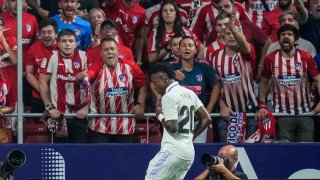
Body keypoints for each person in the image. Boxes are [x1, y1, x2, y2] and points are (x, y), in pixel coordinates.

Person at [145, 63, 212, 179]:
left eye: (155, 82)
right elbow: (207, 119)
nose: (154, 87)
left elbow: (172, 127)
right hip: (189, 152)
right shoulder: (190, 93)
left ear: (164, 79)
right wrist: (192, 136)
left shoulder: (169, 96)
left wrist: (160, 115)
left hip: (173, 150)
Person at [256, 24, 320, 142]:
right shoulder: (270, 59)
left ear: (295, 40)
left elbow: (318, 79)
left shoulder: (306, 57)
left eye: (289, 34)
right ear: (279, 39)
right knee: (285, 149)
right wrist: (262, 104)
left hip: (305, 113)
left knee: (307, 150)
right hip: (281, 115)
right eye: (282, 35)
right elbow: (263, 83)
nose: (286, 37)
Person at [77, 37, 148, 143]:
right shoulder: (96, 67)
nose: (109, 52)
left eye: (112, 49)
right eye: (106, 50)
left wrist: (140, 104)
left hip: (125, 125)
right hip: (99, 125)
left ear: (118, 51)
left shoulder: (131, 66)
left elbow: (144, 84)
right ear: (100, 53)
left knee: (123, 160)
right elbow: (86, 79)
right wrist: (81, 76)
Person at [211, 18, 258, 142]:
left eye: (234, 33)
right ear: (223, 36)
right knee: (227, 153)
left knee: (251, 152)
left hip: (250, 113)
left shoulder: (246, 51)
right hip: (227, 113)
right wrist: (222, 106)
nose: (231, 36)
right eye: (228, 33)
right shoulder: (216, 57)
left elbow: (244, 45)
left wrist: (232, 27)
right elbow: (216, 85)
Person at [39, 29, 89, 143]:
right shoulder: (51, 57)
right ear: (58, 43)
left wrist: (86, 107)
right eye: (64, 41)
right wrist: (50, 106)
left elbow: (90, 84)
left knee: (78, 152)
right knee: (57, 152)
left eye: (71, 41)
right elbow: (42, 82)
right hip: (56, 114)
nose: (67, 44)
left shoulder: (84, 56)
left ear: (76, 43)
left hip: (78, 114)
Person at [171, 36, 220, 143]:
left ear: (196, 50)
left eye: (190, 45)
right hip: (177, 120)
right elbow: (154, 80)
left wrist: (208, 110)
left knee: (196, 152)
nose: (187, 48)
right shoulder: (171, 67)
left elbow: (216, 86)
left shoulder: (204, 66)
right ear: (179, 50)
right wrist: (171, 75)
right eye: (183, 46)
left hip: (199, 121)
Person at [147, 0, 204, 64]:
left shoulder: (185, 31)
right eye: (165, 11)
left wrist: (195, 64)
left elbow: (201, 49)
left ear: (176, 14)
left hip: (184, 67)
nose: (168, 13)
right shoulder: (155, 32)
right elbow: (151, 58)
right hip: (164, 69)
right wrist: (167, 48)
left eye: (171, 10)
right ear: (161, 15)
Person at [26, 18, 58, 114]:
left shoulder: (63, 47)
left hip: (59, 96)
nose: (46, 36)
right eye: (43, 33)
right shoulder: (33, 49)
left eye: (49, 32)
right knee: (38, 128)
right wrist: (43, 91)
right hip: (38, 97)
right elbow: (29, 73)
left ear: (56, 34)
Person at [102, 0, 146, 65]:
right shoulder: (114, 2)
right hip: (108, 49)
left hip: (126, 53)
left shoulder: (141, 12)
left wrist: (138, 60)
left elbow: (139, 37)